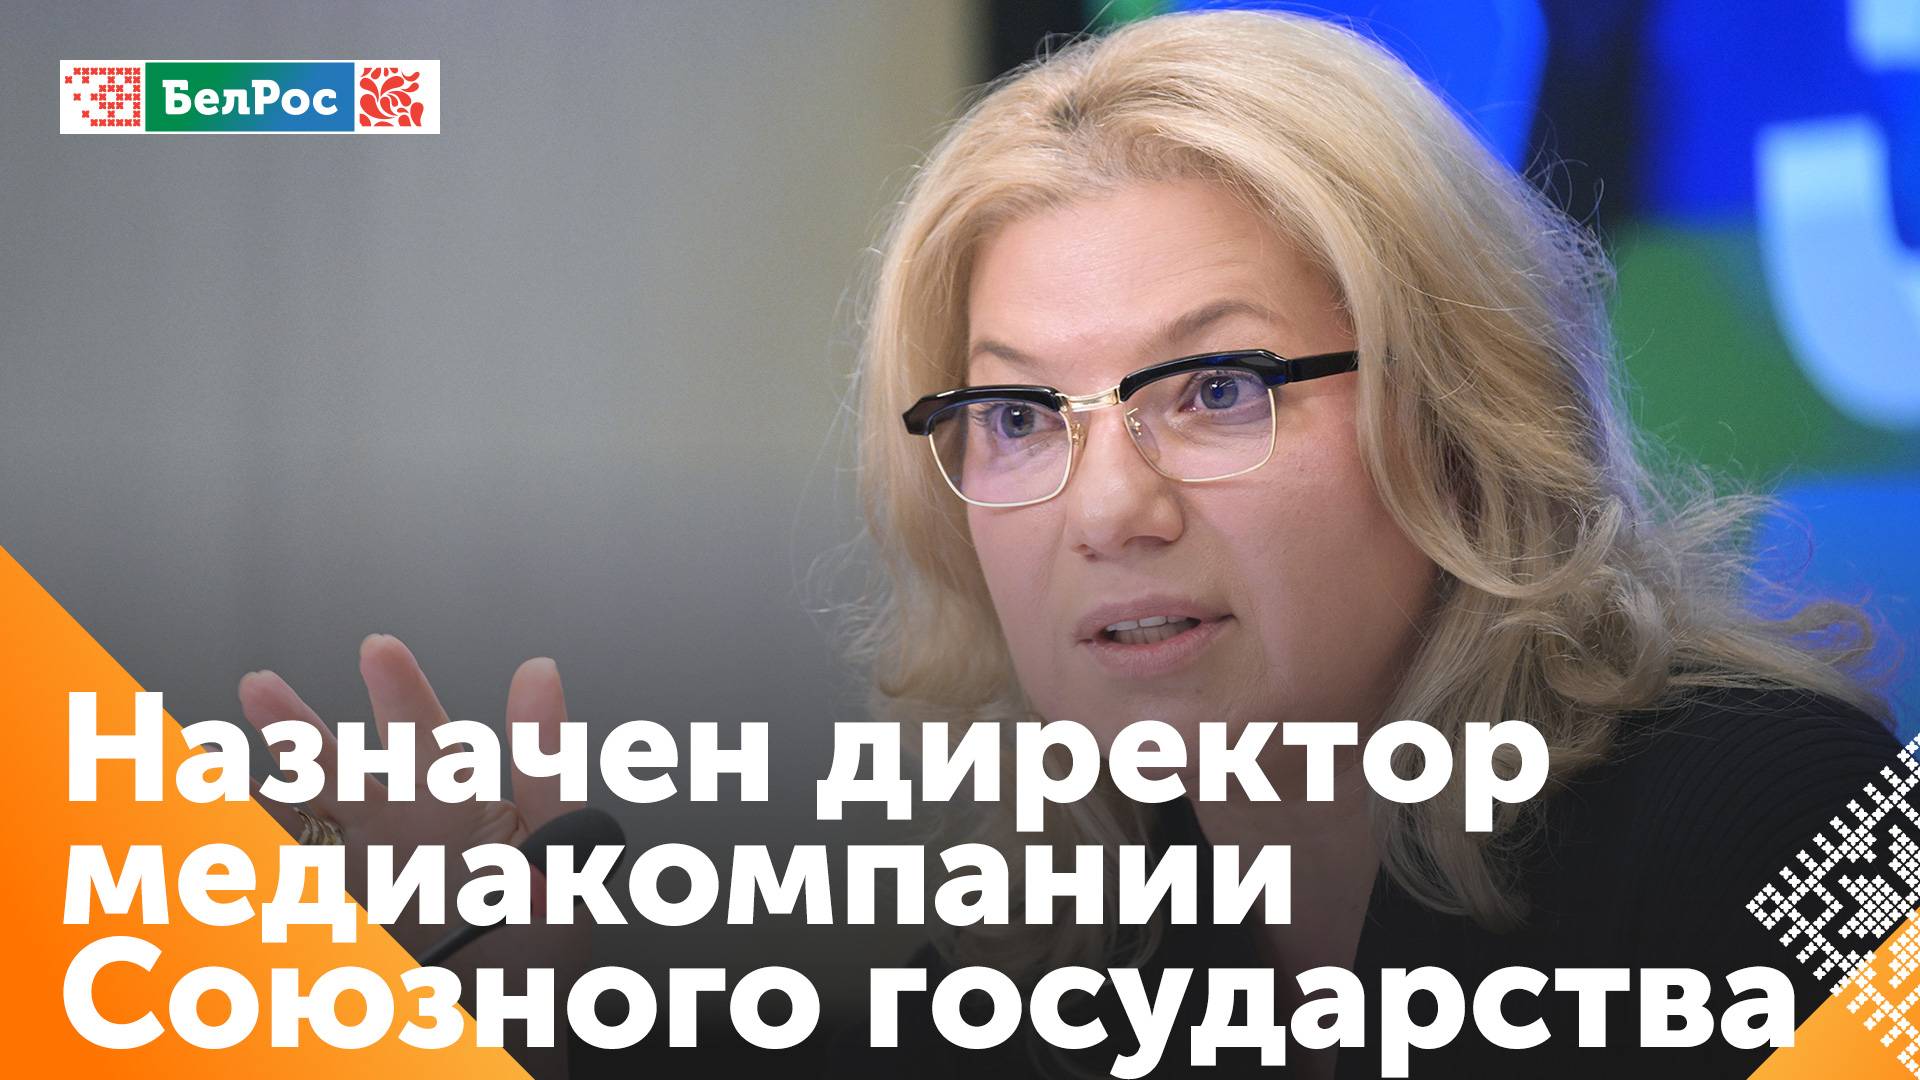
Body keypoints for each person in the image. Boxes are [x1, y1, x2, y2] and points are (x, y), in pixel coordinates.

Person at [238, 9, 1902, 1078]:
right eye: (1021, 416)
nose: (1109, 509)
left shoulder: (1795, 815)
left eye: (1219, 388)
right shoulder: (1067, 945)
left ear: (1456, 418)